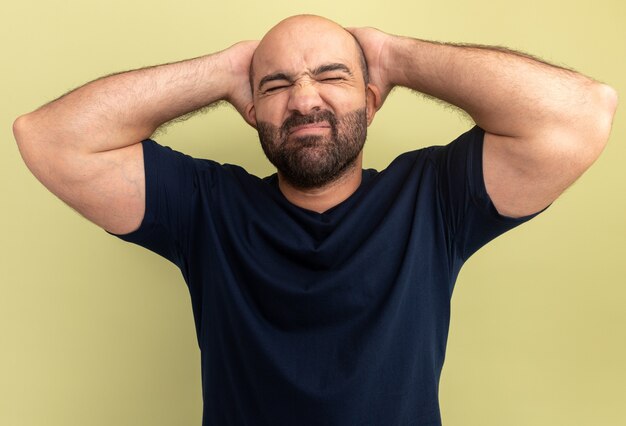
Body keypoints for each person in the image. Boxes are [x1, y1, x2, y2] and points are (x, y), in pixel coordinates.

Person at [13, 14, 617, 426]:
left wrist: (393, 54)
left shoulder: (433, 198)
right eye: (275, 85)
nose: (305, 100)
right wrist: (224, 69)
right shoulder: (205, 207)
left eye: (333, 76)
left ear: (373, 99)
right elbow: (46, 138)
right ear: (250, 110)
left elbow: (582, 113)